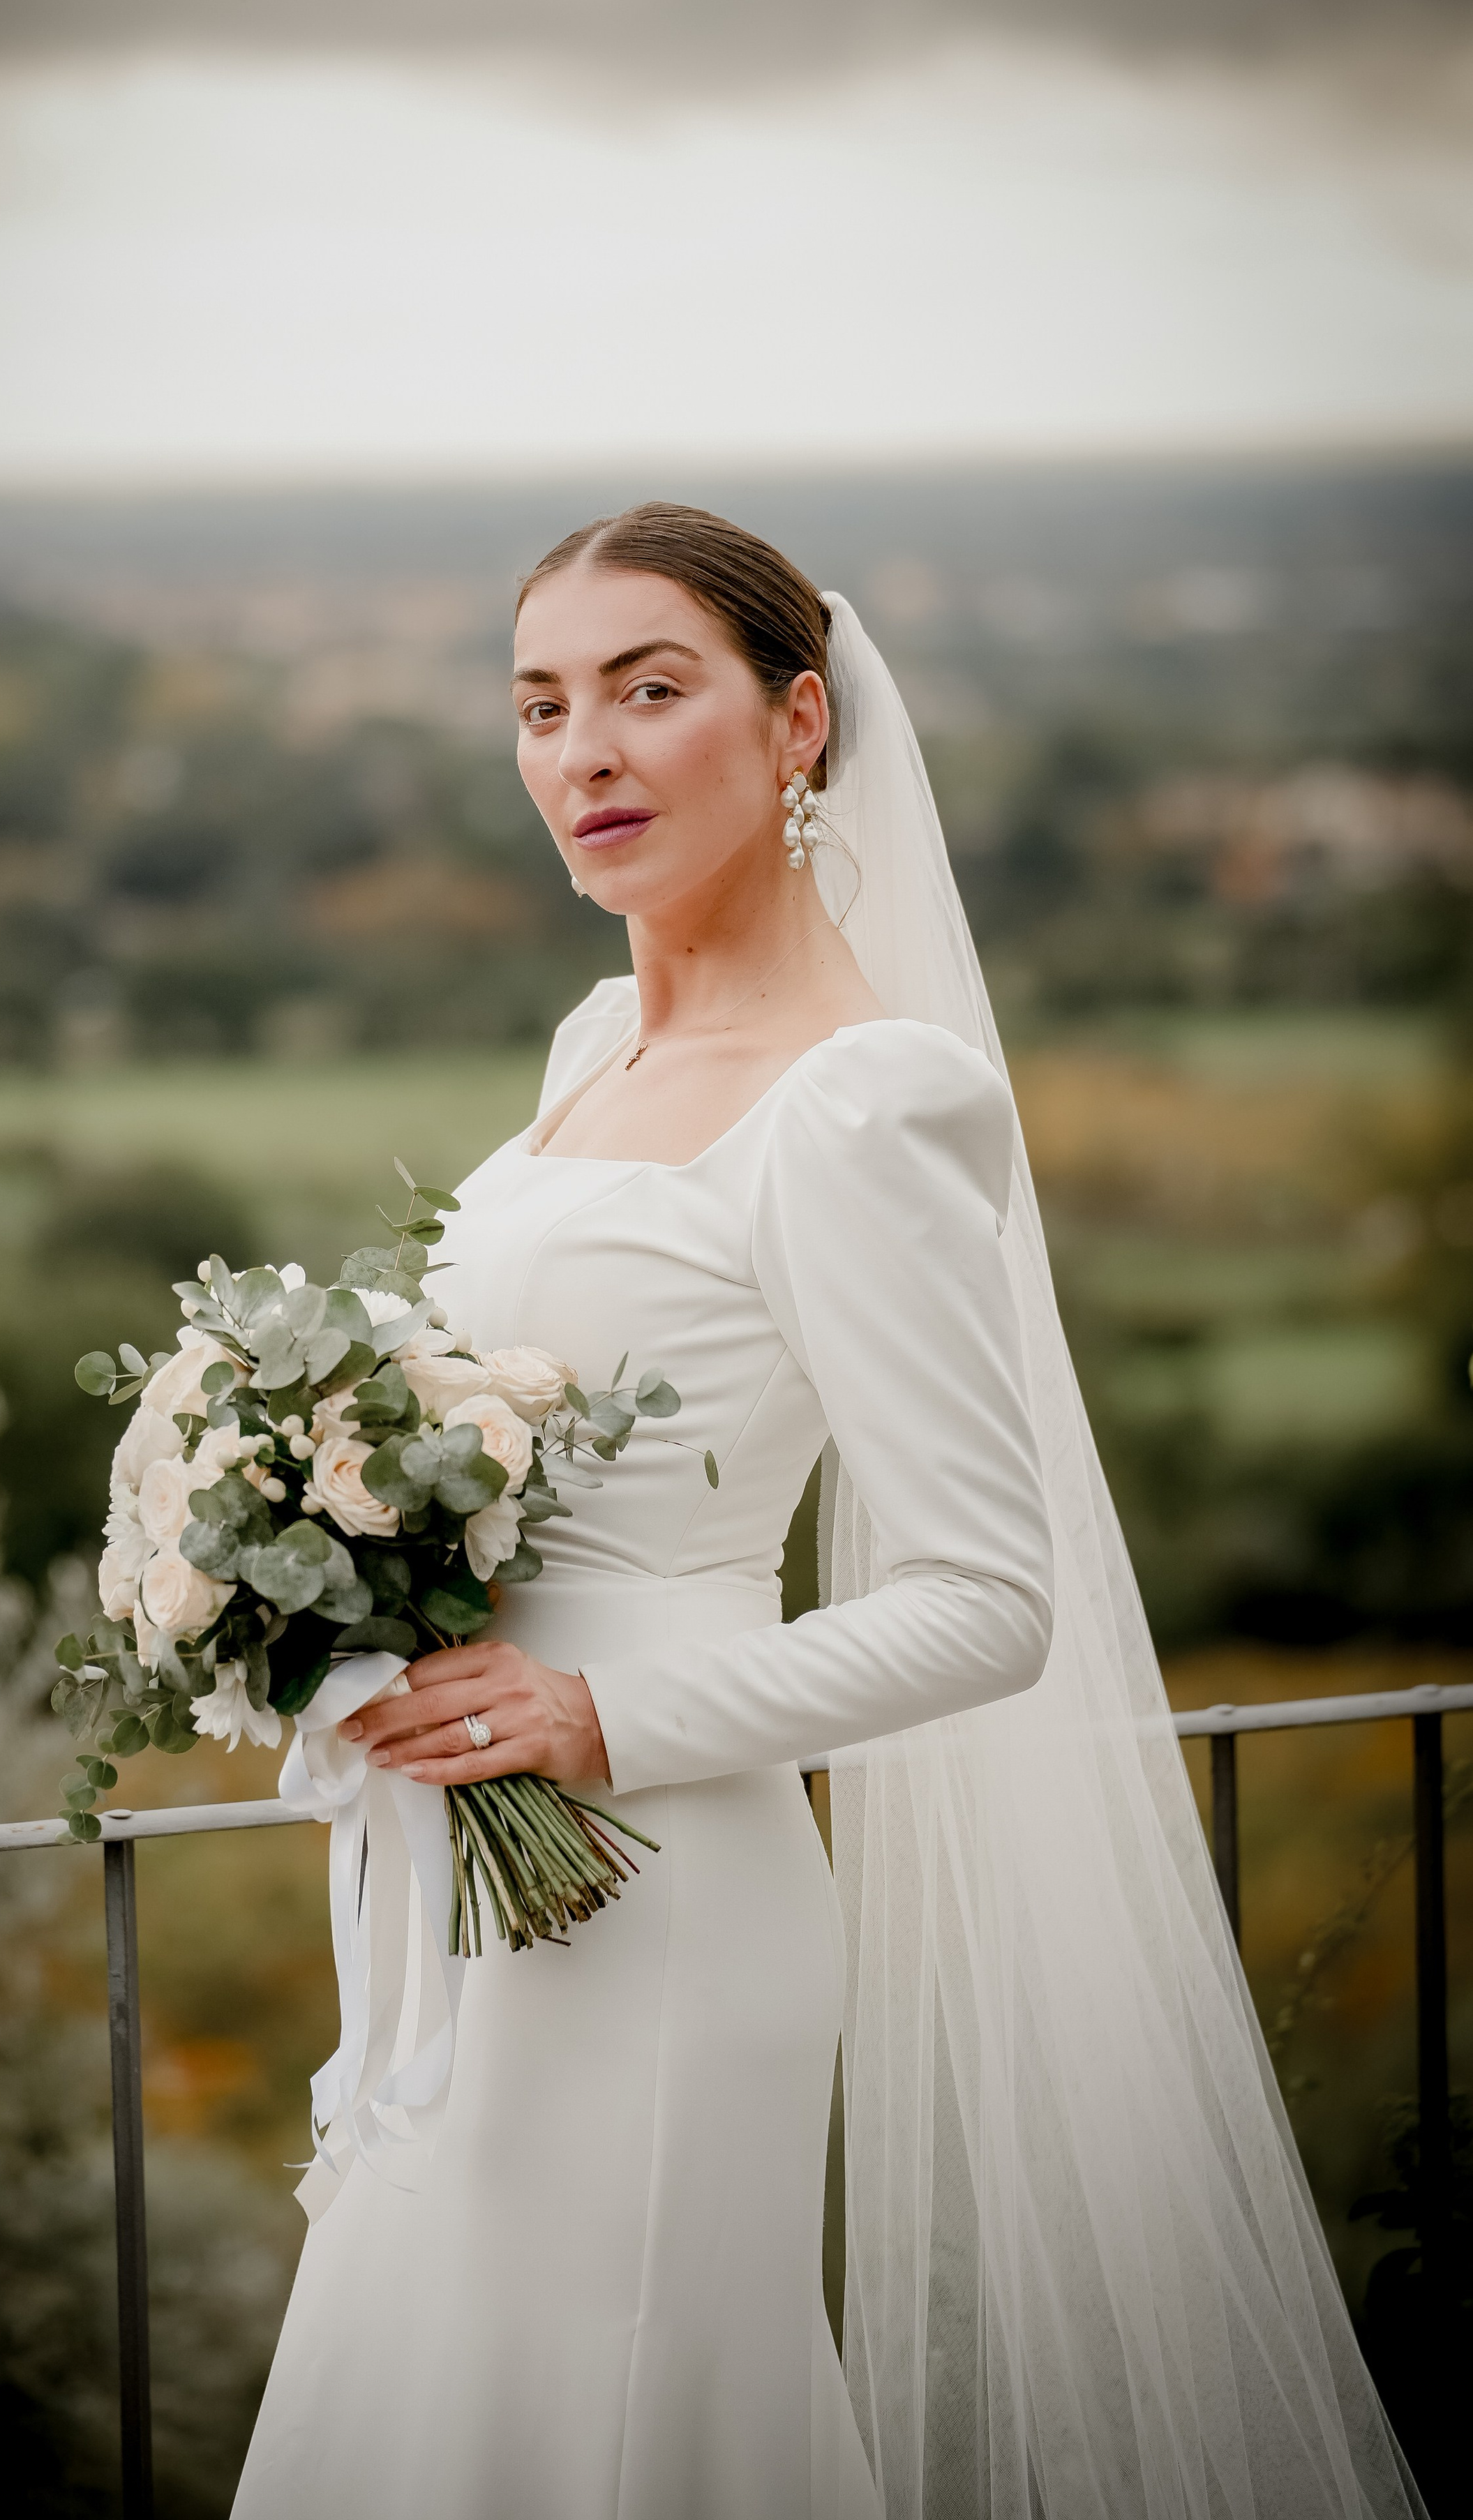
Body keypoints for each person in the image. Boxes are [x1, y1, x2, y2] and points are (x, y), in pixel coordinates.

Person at [232, 505, 1423, 2520]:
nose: (582, 751)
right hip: (477, 1889)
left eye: (649, 688)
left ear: (800, 728)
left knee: (621, 2437)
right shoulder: (596, 1043)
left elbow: (987, 1598)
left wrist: (600, 1723)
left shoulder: (865, 1099)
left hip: (663, 1902)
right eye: (540, 705)